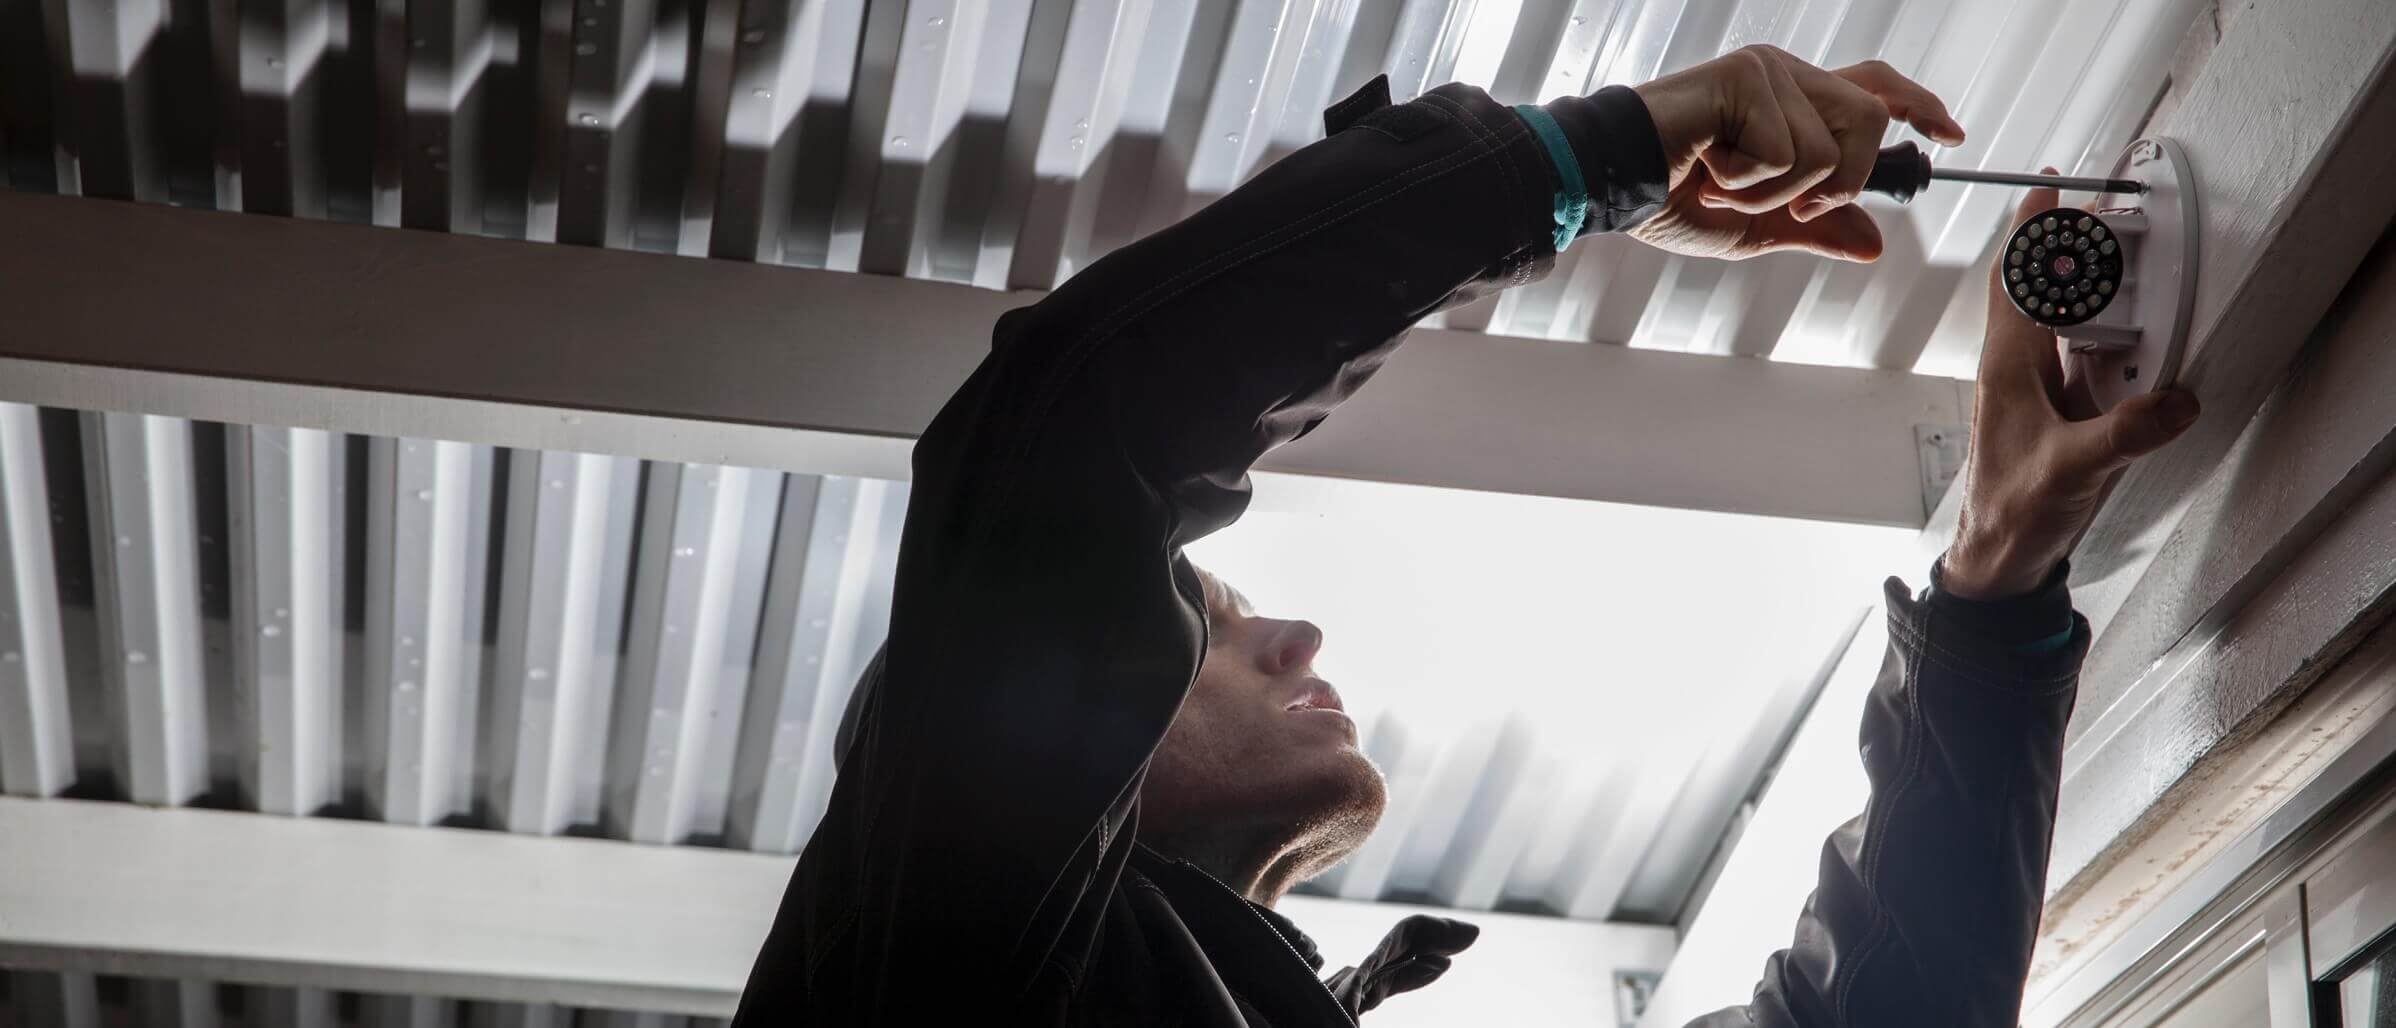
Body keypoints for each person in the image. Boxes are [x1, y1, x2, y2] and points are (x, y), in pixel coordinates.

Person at [730, 44, 2202, 1027]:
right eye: (1198, 628)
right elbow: (1070, 434)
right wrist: (1993, 611)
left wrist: (1996, 578)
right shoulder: (940, 948)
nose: (1292, 637)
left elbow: (1080, 434)